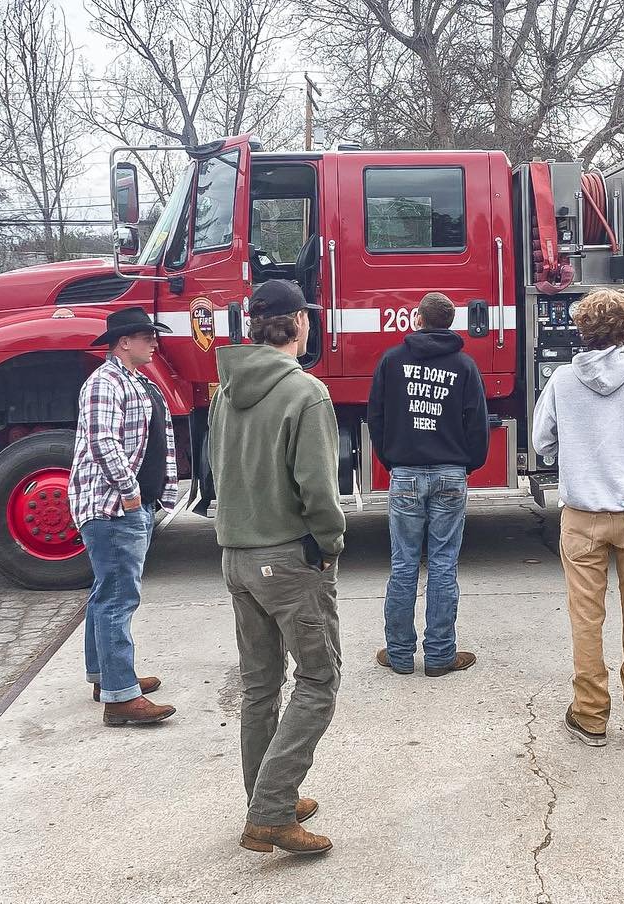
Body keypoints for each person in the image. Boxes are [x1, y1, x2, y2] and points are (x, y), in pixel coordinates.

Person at [209, 279, 344, 856]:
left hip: (236, 554)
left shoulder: (225, 391)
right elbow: (317, 487)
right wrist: (331, 542)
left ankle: (265, 797)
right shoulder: (305, 393)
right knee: (319, 679)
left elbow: (219, 471)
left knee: (261, 684)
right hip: (287, 557)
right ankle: (271, 810)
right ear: (300, 324)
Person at [531, 288, 624, 749]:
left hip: (581, 516)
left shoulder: (561, 380)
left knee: (585, 619)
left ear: (581, 329)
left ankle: (590, 716)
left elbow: (542, 443)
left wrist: (577, 459)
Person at [367, 291, 489, 677]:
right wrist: (467, 465)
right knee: (443, 565)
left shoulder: (391, 361)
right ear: (449, 323)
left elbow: (377, 417)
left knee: (403, 564)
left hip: (404, 473)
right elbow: (477, 425)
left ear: (416, 319)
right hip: (451, 473)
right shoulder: (464, 366)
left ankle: (399, 655)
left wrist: (393, 461)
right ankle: (440, 656)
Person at [68, 306, 179, 727]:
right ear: (123, 342)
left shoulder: (130, 379)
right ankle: (120, 698)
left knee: (105, 592)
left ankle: (106, 677)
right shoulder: (105, 382)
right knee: (118, 597)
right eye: (145, 335)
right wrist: (131, 494)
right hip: (112, 506)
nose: (154, 341)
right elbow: (102, 443)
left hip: (121, 505)